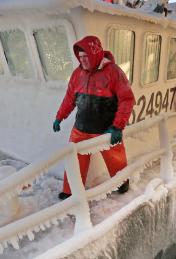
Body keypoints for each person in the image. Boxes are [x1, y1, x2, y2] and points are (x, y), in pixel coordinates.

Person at [52, 35, 135, 200]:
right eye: (80, 57)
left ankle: (122, 182)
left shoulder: (113, 72)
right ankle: (70, 190)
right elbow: (70, 98)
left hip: (106, 129)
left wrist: (118, 126)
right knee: (74, 160)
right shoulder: (77, 74)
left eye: (86, 56)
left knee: (115, 158)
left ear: (94, 54)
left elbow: (127, 100)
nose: (82, 60)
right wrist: (59, 117)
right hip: (81, 128)